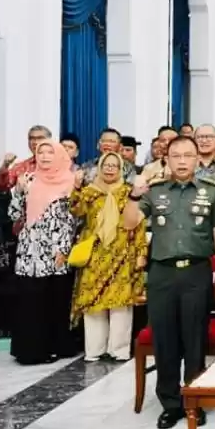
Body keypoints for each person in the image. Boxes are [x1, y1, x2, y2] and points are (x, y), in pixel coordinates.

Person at [123, 136, 215, 429]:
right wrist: (134, 195)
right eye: (176, 156)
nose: (182, 161)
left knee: (195, 337)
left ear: (197, 159)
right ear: (166, 159)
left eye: (188, 155)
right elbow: (129, 223)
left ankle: (194, 398)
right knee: (165, 339)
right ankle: (170, 403)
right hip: (162, 274)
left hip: (196, 272)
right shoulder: (153, 192)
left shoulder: (211, 193)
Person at [70, 152, 148, 361]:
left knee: (121, 305)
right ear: (100, 168)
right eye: (106, 165)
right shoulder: (89, 192)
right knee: (93, 304)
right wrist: (76, 188)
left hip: (123, 253)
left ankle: (119, 350)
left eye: (114, 165)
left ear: (121, 169)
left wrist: (141, 252)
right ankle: (95, 350)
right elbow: (76, 211)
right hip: (95, 253)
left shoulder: (128, 192)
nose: (110, 169)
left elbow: (138, 224)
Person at [7, 141, 79, 364]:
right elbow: (13, 214)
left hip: (56, 251)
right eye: (41, 152)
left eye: (50, 152)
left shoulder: (70, 182)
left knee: (54, 301)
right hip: (30, 252)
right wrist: (19, 192)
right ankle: (30, 351)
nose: (45, 156)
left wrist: (63, 250)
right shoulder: (28, 180)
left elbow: (72, 219)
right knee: (31, 302)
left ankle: (55, 347)